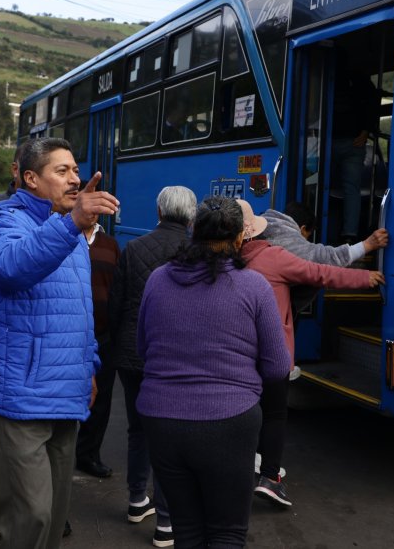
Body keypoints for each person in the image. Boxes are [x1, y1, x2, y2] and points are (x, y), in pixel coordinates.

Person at [0, 136, 117, 549]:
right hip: (19, 396)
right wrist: (71, 223)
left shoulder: (67, 230)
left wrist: (88, 367)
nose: (74, 179)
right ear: (30, 178)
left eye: (76, 170)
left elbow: (79, 312)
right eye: (62, 171)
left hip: (65, 392)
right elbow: (10, 268)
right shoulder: (3, 221)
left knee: (54, 518)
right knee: (29, 517)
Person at [138, 196, 291, 548]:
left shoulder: (158, 280)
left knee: (187, 530)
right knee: (226, 533)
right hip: (230, 422)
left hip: (161, 420)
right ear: (240, 238)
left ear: (193, 231)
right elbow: (278, 367)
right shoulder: (254, 287)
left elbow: (144, 349)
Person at [237, 199, 384, 508]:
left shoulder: (222, 261)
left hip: (235, 351)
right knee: (275, 413)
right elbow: (321, 270)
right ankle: (269, 478)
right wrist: (364, 275)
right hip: (271, 351)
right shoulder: (273, 256)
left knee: (244, 410)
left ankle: (238, 464)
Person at [109, 185, 196, 547]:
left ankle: (135, 501)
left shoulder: (133, 249)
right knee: (171, 439)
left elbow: (116, 305)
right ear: (191, 217)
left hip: (132, 355)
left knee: (138, 430)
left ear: (158, 213)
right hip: (174, 359)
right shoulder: (195, 253)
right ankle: (164, 522)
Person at [75, 216, 119, 479]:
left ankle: (89, 455)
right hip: (69, 334)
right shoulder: (63, 239)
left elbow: (117, 286)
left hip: (103, 334)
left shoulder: (110, 244)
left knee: (100, 399)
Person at [331, 67, 387, 243]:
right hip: (355, 141)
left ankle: (318, 229)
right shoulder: (362, 79)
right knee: (351, 190)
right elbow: (373, 104)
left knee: (323, 187)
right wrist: (366, 131)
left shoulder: (327, 75)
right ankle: (349, 234)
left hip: (328, 141)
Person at [262, 201, 388, 268]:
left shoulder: (263, 224)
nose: (306, 241)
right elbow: (327, 257)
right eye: (307, 236)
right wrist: (368, 244)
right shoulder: (289, 240)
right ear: (302, 229)